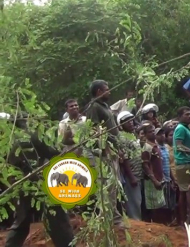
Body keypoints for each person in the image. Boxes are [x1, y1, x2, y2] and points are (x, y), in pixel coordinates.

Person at [4, 114, 74, 247]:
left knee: (21, 221)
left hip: (19, 183)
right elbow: (53, 152)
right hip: (39, 181)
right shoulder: (33, 135)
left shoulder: (9, 141)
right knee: (57, 217)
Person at [85, 79, 126, 227]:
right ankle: (108, 219)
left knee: (114, 186)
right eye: (107, 89)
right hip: (103, 153)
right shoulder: (94, 107)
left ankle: (112, 217)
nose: (110, 91)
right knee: (107, 186)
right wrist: (106, 149)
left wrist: (118, 149)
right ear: (99, 92)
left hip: (113, 151)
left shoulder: (105, 106)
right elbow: (95, 130)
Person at [173, 106, 190, 226]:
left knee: (184, 191)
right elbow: (179, 146)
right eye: (186, 114)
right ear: (179, 117)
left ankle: (184, 220)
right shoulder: (181, 128)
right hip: (185, 164)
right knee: (189, 191)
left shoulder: (185, 128)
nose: (189, 116)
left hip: (185, 163)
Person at [117, 111, 143, 221]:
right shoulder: (123, 138)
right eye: (127, 121)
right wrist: (131, 177)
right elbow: (125, 160)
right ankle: (136, 222)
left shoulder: (132, 135)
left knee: (139, 201)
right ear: (121, 125)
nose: (131, 123)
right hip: (131, 175)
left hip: (139, 174)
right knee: (134, 202)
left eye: (131, 120)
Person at [141, 124, 166, 224]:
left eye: (153, 131)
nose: (152, 133)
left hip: (159, 178)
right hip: (151, 181)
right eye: (149, 132)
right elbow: (145, 165)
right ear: (146, 134)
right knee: (153, 207)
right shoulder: (146, 147)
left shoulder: (155, 145)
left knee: (160, 205)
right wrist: (154, 180)